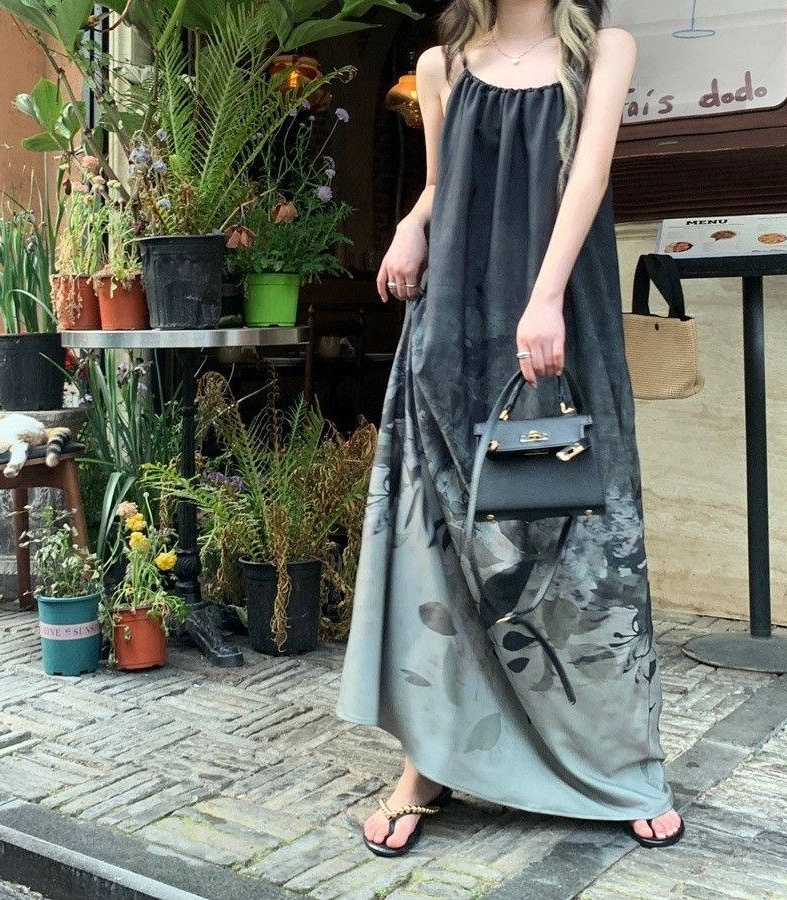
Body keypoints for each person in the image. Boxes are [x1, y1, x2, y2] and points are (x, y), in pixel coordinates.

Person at [335, 0, 685, 857]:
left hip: (560, 318)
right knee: (442, 544)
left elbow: (588, 176)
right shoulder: (442, 65)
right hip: (451, 327)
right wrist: (410, 228)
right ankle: (428, 765)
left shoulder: (602, 50)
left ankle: (621, 766)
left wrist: (545, 297)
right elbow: (442, 185)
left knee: (583, 540)